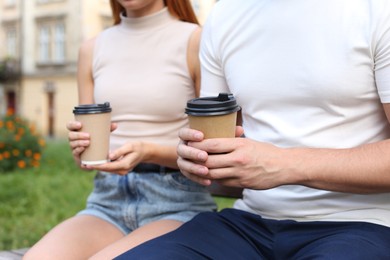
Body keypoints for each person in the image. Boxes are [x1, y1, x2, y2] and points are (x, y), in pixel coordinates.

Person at [114, 0, 390, 259]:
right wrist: (198, 159)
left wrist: (284, 164)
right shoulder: (226, 14)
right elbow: (218, 138)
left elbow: (271, 163)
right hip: (249, 222)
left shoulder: (376, 9)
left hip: (363, 221)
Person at [23, 0, 216, 259]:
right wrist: (81, 149)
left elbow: (210, 153)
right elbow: (85, 158)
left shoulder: (196, 41)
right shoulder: (91, 49)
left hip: (177, 202)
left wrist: (148, 152)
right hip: (107, 202)